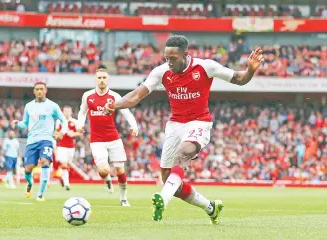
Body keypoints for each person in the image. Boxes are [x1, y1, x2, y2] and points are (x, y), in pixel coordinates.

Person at [103, 35, 264, 223]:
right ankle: (210, 208)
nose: (169, 63)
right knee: (168, 178)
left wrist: (250, 70)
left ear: (186, 55)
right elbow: (137, 95)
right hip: (175, 126)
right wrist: (115, 105)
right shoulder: (161, 72)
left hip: (199, 123)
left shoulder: (205, 67)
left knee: (181, 156)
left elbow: (239, 78)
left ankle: (163, 199)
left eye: (173, 58)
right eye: (166, 58)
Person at [77, 66, 139, 207]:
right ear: (95, 79)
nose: (102, 80)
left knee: (120, 171)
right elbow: (82, 112)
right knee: (103, 170)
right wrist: (80, 124)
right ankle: (107, 180)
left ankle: (123, 198)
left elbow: (127, 113)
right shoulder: (88, 96)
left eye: (104, 77)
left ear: (108, 79)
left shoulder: (115, 97)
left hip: (113, 139)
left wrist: (134, 125)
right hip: (97, 140)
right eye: (99, 78)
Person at [12, 82, 67, 201]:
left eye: (41, 89)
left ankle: (40, 194)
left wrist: (62, 132)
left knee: (45, 162)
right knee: (28, 169)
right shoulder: (29, 106)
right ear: (34, 91)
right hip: (32, 141)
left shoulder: (53, 106)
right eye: (37, 89)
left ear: (46, 90)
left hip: (46, 140)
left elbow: (64, 120)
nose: (39, 91)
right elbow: (25, 124)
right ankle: (30, 183)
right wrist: (18, 124)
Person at [55, 105, 81, 190]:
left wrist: (73, 134)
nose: (66, 112)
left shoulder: (75, 122)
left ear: (71, 112)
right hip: (62, 146)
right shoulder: (59, 121)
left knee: (67, 164)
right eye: (65, 111)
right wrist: (59, 136)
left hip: (71, 147)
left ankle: (63, 179)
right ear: (62, 112)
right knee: (64, 164)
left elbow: (80, 133)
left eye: (68, 111)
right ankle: (67, 184)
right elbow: (56, 133)